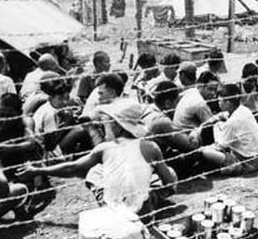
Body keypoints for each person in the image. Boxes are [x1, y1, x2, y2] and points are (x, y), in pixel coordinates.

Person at [17, 99, 177, 214]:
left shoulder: (105, 148)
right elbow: (169, 182)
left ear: (118, 125)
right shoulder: (151, 147)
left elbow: (72, 167)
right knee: (167, 172)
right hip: (143, 209)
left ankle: (112, 203)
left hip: (111, 209)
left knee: (95, 171)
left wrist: (37, 171)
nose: (106, 123)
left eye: (110, 122)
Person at [199, 84, 258, 175]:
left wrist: (202, 148)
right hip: (257, 156)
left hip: (246, 163)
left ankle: (224, 168)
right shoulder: (243, 109)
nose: (218, 103)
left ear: (228, 102)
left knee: (205, 152)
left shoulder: (232, 122)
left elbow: (220, 146)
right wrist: (205, 124)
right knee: (218, 125)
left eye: (220, 101)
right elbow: (221, 115)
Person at [141, 81, 200, 177]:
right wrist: (196, 133)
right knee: (195, 155)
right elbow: (189, 145)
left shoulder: (145, 109)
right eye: (176, 102)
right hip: (151, 165)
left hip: (139, 158)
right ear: (168, 103)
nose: (177, 105)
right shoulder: (162, 121)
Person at [0, 93, 41, 180]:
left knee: (34, 150)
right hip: (3, 162)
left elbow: (30, 143)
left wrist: (7, 147)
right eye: (2, 114)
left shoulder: (26, 121)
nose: (5, 118)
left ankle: (38, 185)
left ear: (19, 112)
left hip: (23, 159)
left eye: (9, 115)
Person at [33, 77, 92, 158]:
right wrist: (68, 122)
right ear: (50, 98)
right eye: (60, 99)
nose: (64, 102)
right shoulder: (49, 113)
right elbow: (50, 145)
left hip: (49, 145)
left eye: (66, 99)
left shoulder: (51, 107)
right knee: (80, 130)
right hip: (46, 153)